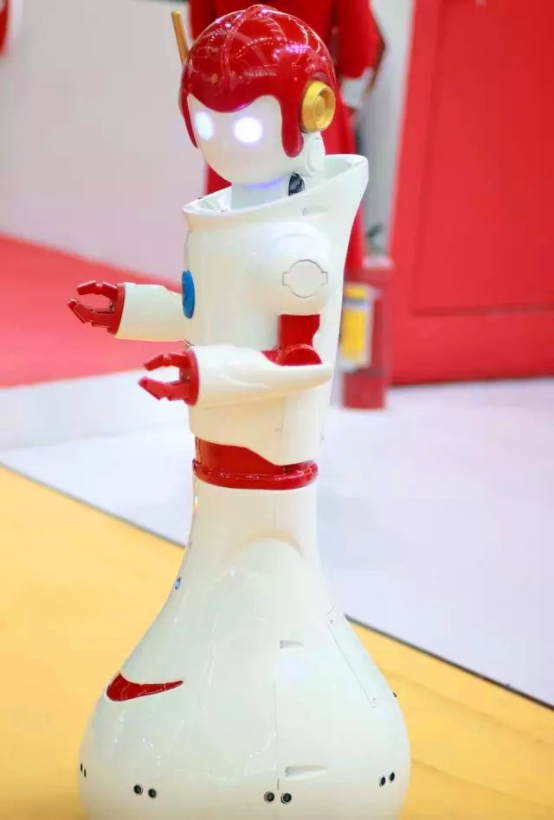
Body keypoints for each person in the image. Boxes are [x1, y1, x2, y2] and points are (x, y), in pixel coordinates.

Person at [188, 0, 384, 274]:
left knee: (228, 247)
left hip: (234, 116)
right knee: (314, 257)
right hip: (307, 110)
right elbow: (359, 54)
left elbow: (203, 34)